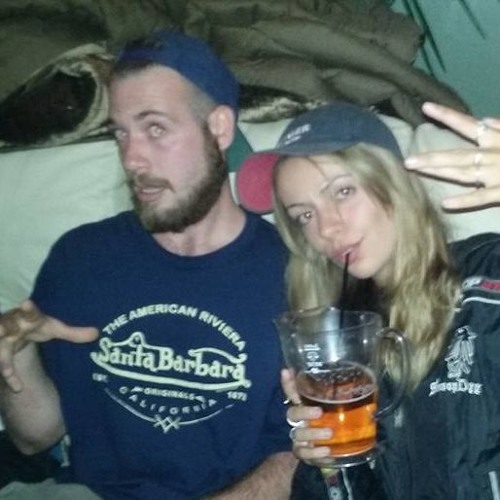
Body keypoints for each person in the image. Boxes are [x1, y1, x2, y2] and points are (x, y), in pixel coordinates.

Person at [0, 30, 297, 499]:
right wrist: (13, 353)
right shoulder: (81, 258)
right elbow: (36, 436)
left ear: (219, 128)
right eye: (121, 133)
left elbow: (298, 454)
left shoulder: (293, 273)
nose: (133, 159)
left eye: (155, 128)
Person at [236, 100, 500, 499]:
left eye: (342, 192)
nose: (327, 228)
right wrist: (330, 464)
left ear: (391, 183)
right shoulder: (342, 346)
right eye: (304, 214)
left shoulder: (486, 282)